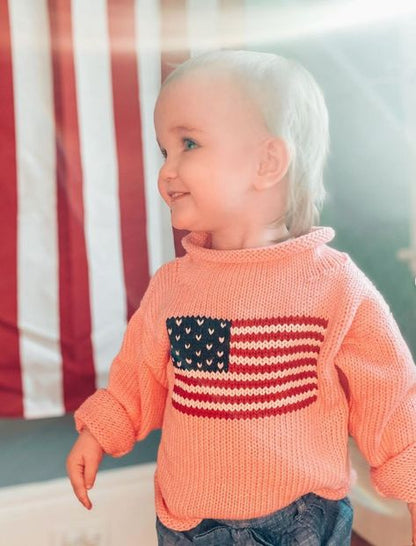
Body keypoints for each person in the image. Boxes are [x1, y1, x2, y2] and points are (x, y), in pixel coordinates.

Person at [66, 49, 416, 545]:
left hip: (299, 521)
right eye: (164, 151)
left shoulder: (335, 285)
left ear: (266, 162)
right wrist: (98, 432)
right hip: (188, 523)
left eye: (188, 143)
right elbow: (136, 381)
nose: (167, 171)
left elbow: (390, 399)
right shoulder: (173, 287)